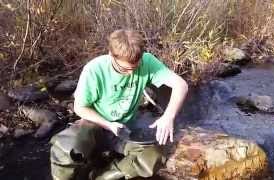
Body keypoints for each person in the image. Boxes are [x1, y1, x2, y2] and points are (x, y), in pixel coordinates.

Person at [50, 29, 188, 180]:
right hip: (95, 125)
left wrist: (168, 116)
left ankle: (102, 176)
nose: (130, 73)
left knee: (154, 156)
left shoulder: (147, 61)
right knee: (66, 147)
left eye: (134, 68)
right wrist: (108, 124)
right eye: (123, 69)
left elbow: (181, 85)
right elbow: (80, 107)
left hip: (125, 129)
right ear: (111, 55)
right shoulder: (95, 69)